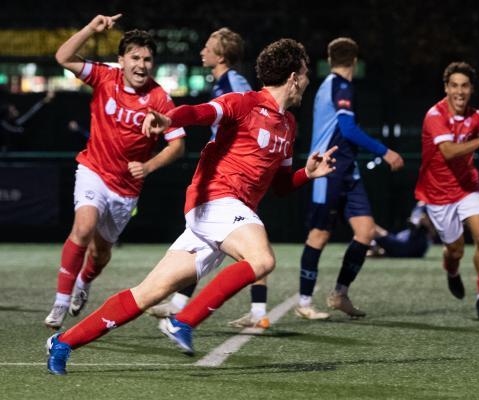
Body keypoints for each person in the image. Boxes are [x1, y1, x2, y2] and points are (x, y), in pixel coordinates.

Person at [46, 38, 337, 375]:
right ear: (293, 77)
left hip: (226, 216)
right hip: (214, 199)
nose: (307, 80)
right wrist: (170, 119)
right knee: (262, 259)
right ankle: (183, 322)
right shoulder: (244, 103)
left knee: (148, 293)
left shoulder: (288, 126)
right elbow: (200, 112)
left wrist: (308, 173)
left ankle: (63, 342)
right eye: (305, 73)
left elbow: (283, 186)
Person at [43, 14, 186, 330]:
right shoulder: (104, 76)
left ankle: (84, 281)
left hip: (125, 189)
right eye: (135, 57)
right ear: (121, 60)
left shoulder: (160, 98)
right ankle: (60, 303)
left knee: (100, 254)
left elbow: (178, 145)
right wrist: (91, 29)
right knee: (83, 227)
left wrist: (148, 166)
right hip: (93, 169)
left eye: (148, 59)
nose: (141, 64)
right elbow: (63, 57)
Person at [145, 28, 268, 327]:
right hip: (226, 171)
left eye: (208, 46)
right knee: (208, 237)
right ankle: (180, 304)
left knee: (251, 248)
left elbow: (248, 119)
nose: (202, 50)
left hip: (237, 174)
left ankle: (259, 313)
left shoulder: (234, 83)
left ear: (222, 55)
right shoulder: (222, 82)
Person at [293, 37, 404, 321]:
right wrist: (385, 151)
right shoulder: (340, 86)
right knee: (319, 235)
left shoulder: (327, 86)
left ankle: (339, 294)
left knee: (365, 231)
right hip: (327, 170)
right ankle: (304, 301)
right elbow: (348, 128)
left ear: (329, 60)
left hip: (347, 171)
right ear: (355, 61)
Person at [414, 62, 479, 321]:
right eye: (454, 86)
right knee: (456, 250)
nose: (459, 91)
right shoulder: (435, 115)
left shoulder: (476, 116)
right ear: (446, 88)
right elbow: (449, 151)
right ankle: (452, 271)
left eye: (464, 86)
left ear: (471, 89)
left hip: (467, 187)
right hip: (438, 194)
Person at [367, 202, 434, 258]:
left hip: (408, 247)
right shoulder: (424, 205)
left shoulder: (428, 207)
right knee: (379, 251)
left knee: (369, 226)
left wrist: (425, 222)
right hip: (410, 247)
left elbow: (432, 233)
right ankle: (374, 249)